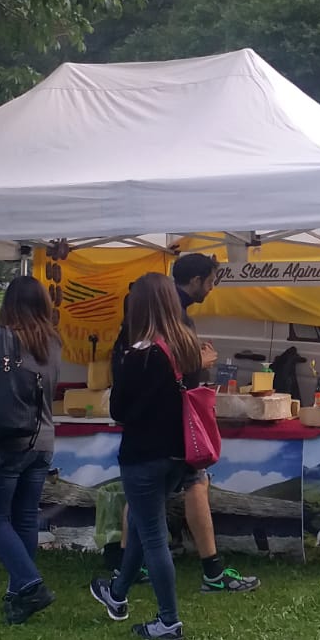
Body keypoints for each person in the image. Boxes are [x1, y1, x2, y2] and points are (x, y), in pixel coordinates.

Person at [108, 252, 259, 594]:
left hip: (148, 439)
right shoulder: (175, 321)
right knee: (173, 501)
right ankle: (201, 579)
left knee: (145, 503)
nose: (212, 288)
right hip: (173, 434)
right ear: (194, 281)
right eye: (211, 281)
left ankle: (126, 576)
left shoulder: (143, 329)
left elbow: (128, 391)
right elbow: (178, 377)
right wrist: (198, 362)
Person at [90, 273, 207, 640]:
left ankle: (169, 622)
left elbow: (119, 410)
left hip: (143, 454)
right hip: (178, 454)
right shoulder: (187, 346)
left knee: (153, 535)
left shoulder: (139, 354)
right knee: (142, 524)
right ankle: (117, 593)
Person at [0, 276, 62, 625]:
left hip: (7, 439)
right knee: (24, 518)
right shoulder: (53, 341)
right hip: (43, 439)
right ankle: (18, 594)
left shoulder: (2, 338)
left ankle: (31, 584)